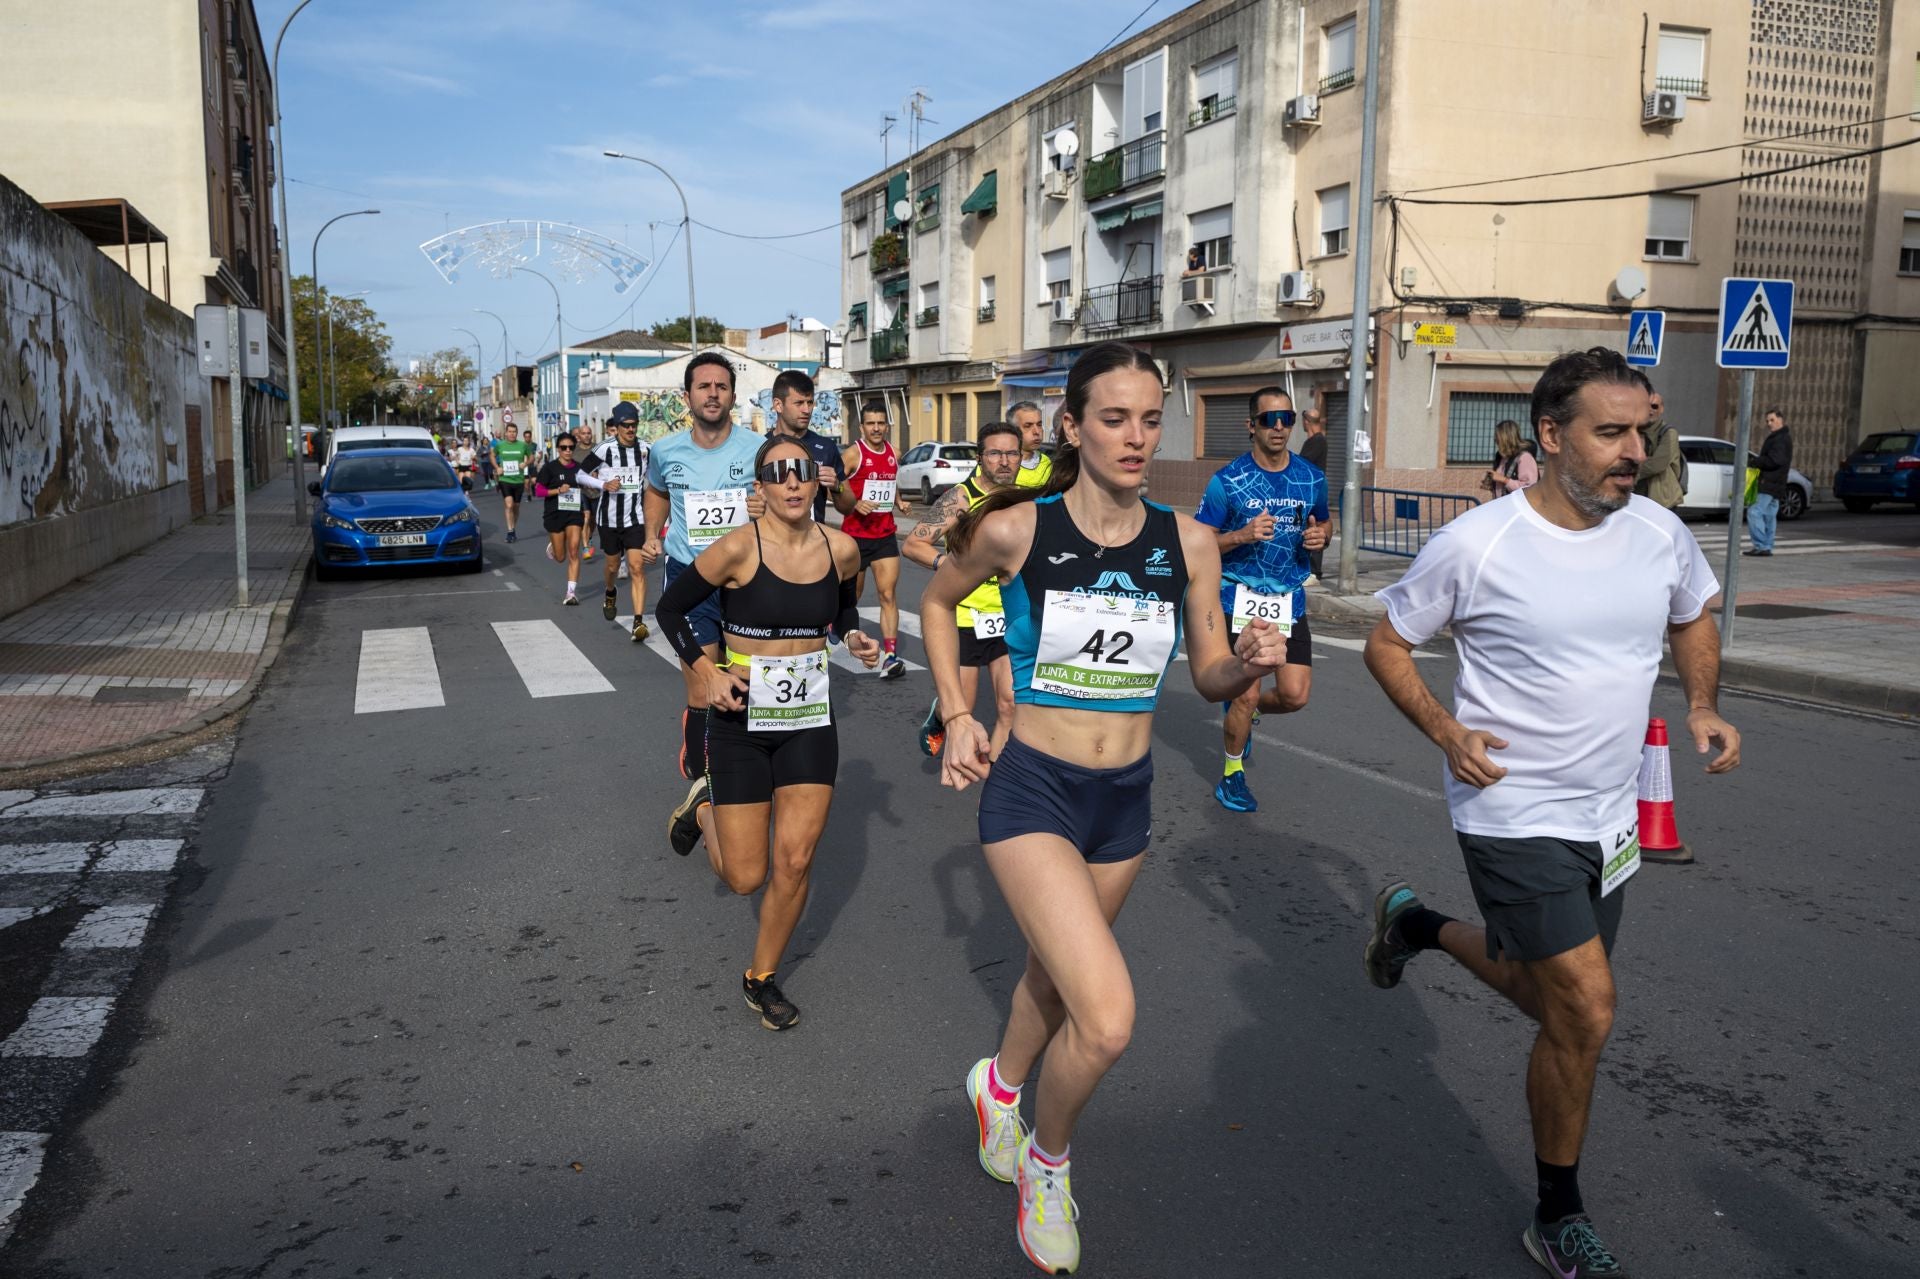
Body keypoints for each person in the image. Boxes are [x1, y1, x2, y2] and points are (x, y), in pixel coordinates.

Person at [1360, 346, 1741, 1279]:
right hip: (1512, 807)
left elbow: (1694, 612)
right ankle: (1556, 1211)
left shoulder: (1658, 530)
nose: (1633, 450)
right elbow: (1385, 643)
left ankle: (1415, 923)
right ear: (1550, 435)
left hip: (1609, 818)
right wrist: (1448, 732)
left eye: (1640, 432)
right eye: (1610, 432)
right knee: (1587, 1005)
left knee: (1551, 996)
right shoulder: (1479, 541)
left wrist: (1699, 702)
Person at [921, 342, 1287, 1275]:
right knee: (1109, 1016)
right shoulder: (1017, 531)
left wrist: (1243, 662)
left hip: (1124, 799)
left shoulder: (1188, 542)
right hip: (1034, 787)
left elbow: (1205, 674)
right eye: (1114, 418)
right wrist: (960, 713)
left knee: (1055, 976)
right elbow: (936, 601)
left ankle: (998, 1087)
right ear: (1072, 427)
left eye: (1150, 418)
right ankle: (1049, 1162)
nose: (1135, 436)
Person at [657, 435, 882, 1031]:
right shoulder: (736, 549)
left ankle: (761, 977)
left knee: (797, 858)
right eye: (777, 473)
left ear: (816, 482)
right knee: (744, 877)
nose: (790, 482)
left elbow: (843, 610)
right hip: (742, 720)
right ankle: (704, 807)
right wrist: (706, 671)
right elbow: (671, 610)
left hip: (809, 717)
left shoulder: (842, 549)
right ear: (760, 485)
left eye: (801, 471)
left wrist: (851, 637)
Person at [1194, 387, 1329, 814]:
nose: (1279, 427)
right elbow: (1199, 543)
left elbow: (1324, 522)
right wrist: (1241, 535)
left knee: (1294, 696)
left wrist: (1320, 537)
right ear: (1251, 425)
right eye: (1268, 419)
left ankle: (1247, 717)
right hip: (1239, 596)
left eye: (1286, 418)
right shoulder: (1227, 481)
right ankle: (1232, 774)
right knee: (1247, 694)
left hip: (1288, 598)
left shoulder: (1311, 476)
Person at [643, 352, 768, 783]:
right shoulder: (664, 450)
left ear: (733, 395)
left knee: (743, 683)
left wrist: (764, 506)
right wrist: (650, 534)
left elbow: (789, 503)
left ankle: (737, 755)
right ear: (687, 397)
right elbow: (656, 490)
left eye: (721, 386)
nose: (713, 394)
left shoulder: (758, 449)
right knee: (702, 685)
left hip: (746, 577)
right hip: (688, 576)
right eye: (704, 386)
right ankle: (703, 782)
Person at [905, 421, 1023, 762]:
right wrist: (952, 569)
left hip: (1008, 616)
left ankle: (1000, 783)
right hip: (966, 617)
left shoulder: (1023, 500)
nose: (1004, 461)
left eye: (1012, 453)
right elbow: (914, 544)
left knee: (1010, 702)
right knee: (961, 707)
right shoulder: (962, 497)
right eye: (995, 453)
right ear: (980, 457)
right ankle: (939, 715)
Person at [835, 402, 912, 679]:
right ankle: (839, 627)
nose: (876, 428)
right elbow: (835, 486)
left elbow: (889, 481)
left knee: (888, 595)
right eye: (871, 423)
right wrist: (854, 504)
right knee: (851, 597)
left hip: (884, 535)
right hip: (854, 538)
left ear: (887, 426)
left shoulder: (894, 453)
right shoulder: (853, 454)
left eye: (881, 423)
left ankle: (890, 656)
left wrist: (899, 501)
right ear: (862, 427)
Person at [578, 402, 652, 641]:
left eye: (634, 425)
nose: (631, 430)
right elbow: (579, 474)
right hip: (608, 519)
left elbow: (655, 479)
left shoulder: (646, 449)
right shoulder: (604, 449)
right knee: (611, 567)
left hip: (636, 518)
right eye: (626, 426)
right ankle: (610, 592)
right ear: (617, 426)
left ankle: (638, 623)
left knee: (637, 568)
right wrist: (603, 485)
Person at [768, 370, 841, 521]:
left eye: (810, 403)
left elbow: (848, 506)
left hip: (813, 541)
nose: (806, 410)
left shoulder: (826, 447)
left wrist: (837, 486)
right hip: (770, 542)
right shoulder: (759, 447)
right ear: (778, 405)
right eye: (799, 403)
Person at [532, 433, 587, 605]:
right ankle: (555, 546)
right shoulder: (550, 468)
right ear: (558, 449)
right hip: (554, 514)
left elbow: (589, 481)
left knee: (573, 551)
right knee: (560, 557)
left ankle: (571, 593)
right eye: (564, 448)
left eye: (571, 447)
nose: (568, 451)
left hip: (574, 513)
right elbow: (538, 491)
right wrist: (558, 491)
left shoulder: (579, 468)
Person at [1746, 407, 1792, 557]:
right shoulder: (1781, 437)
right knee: (1769, 516)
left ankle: (1761, 545)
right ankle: (1766, 546)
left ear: (1780, 419)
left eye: (1772, 420)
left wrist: (1756, 461)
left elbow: (1775, 460)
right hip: (1776, 483)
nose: (1769, 423)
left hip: (1769, 483)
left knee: (1754, 512)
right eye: (1767, 421)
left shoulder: (1780, 439)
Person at [1631, 387, 1685, 510]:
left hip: (1662, 501)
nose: (1650, 410)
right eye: (1647, 406)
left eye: (1654, 406)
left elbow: (1657, 464)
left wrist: (1629, 472)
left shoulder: (1668, 433)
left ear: (1661, 409)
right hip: (1635, 498)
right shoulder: (1634, 430)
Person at [1296, 409, 1330, 580]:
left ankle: (1314, 571)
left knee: (1316, 527)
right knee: (1306, 527)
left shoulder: (1317, 441)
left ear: (1306, 421)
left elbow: (1304, 464)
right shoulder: (1314, 440)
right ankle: (1307, 567)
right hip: (1308, 492)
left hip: (1314, 492)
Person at [492, 423, 530, 543]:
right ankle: (510, 531)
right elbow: (492, 455)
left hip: (518, 480)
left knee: (516, 507)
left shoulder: (523, 445)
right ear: (506, 433)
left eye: (514, 431)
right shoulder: (500, 445)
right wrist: (497, 467)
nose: (512, 434)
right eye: (510, 431)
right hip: (505, 479)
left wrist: (526, 463)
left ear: (517, 433)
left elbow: (532, 457)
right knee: (509, 505)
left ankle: (513, 528)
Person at [1488, 419, 1540, 495]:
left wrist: (1504, 480)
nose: (1495, 440)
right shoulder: (1502, 457)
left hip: (1518, 505)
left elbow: (1528, 488)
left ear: (1506, 438)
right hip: (1504, 504)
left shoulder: (1525, 458)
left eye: (1497, 437)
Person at [1009, 400, 1052, 489]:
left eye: (1039, 425)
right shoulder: (999, 464)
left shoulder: (1047, 462)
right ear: (1013, 430)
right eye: (1028, 426)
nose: (1037, 432)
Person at [574, 424, 599, 562]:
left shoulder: (597, 449)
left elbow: (605, 465)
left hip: (595, 490)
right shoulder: (574, 451)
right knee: (586, 516)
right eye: (584, 433)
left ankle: (588, 538)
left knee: (594, 519)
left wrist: (598, 474)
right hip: (581, 489)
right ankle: (585, 548)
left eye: (589, 433)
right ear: (579, 436)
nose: (587, 435)